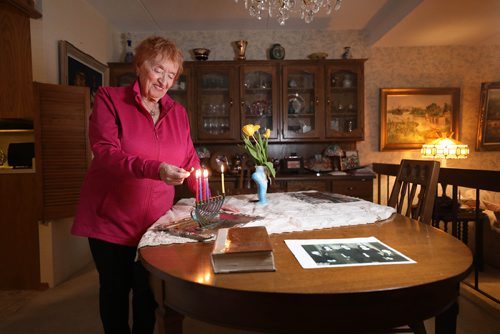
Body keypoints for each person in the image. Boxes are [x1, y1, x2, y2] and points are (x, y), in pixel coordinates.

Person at [72, 36, 200, 334]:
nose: (164, 80)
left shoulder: (178, 113)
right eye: (158, 70)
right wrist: (156, 170)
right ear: (140, 65)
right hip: (111, 219)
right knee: (115, 294)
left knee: (148, 295)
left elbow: (190, 159)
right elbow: (106, 153)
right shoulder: (109, 98)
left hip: (155, 225)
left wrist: (210, 198)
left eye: (172, 75)